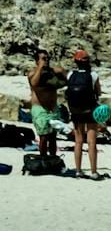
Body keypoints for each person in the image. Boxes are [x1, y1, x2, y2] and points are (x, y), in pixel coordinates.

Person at [64, 49, 102, 177]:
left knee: (78, 141)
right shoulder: (93, 75)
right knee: (91, 141)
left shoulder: (70, 75)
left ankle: (78, 170)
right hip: (90, 110)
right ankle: (93, 171)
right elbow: (98, 92)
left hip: (75, 111)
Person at [26, 50, 63, 163]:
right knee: (43, 137)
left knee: (52, 136)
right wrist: (40, 67)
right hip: (39, 109)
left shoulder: (52, 73)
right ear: (37, 61)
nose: (46, 61)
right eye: (43, 59)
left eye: (47, 59)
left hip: (53, 109)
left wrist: (60, 70)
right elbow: (34, 83)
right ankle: (43, 160)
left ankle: (52, 160)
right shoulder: (32, 73)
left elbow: (65, 78)